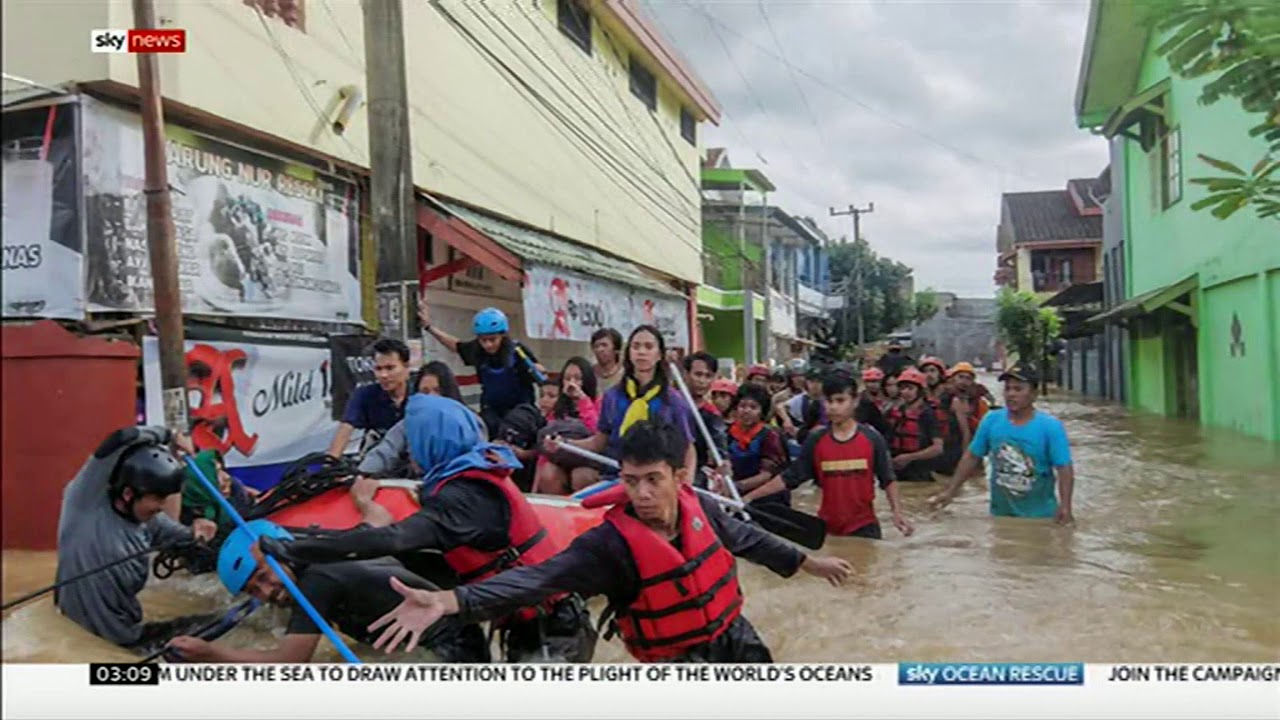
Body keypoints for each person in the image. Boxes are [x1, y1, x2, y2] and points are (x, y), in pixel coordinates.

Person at [364, 421, 854, 663]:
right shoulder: (608, 546)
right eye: (632, 480)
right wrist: (449, 601)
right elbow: (536, 580)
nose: (642, 493)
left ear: (680, 477)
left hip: (733, 635)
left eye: (653, 480)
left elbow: (747, 538)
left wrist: (809, 563)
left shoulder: (698, 506)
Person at [257, 394, 596, 662]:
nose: (412, 452)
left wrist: (295, 548)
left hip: (555, 628)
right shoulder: (472, 473)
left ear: (431, 441)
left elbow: (391, 539)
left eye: (414, 441)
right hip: (529, 619)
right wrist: (312, 537)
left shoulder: (465, 498)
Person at [165, 519, 490, 663]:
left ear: (282, 550)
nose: (269, 591)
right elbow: (378, 521)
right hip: (466, 636)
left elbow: (291, 662)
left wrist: (211, 654)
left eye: (265, 575)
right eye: (255, 591)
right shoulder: (332, 547)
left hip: (451, 654)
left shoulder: (316, 583)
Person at [54, 426, 218, 654]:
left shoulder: (151, 521)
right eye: (157, 498)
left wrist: (199, 531)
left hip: (131, 633)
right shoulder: (84, 502)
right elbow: (120, 438)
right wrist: (170, 435)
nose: (162, 507)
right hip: (94, 641)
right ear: (129, 493)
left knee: (220, 624)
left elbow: (188, 540)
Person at [745, 374, 912, 540]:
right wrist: (750, 497)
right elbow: (790, 477)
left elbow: (888, 479)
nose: (833, 407)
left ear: (855, 402)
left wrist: (897, 513)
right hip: (828, 529)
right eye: (828, 401)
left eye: (840, 401)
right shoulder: (816, 440)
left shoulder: (872, 439)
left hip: (864, 527)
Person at [929, 365, 1075, 524]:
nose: (1011, 394)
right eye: (1007, 389)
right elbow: (972, 456)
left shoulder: (1050, 426)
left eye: (1018, 389)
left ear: (1034, 394)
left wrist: (1066, 507)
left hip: (1040, 517)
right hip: (1000, 515)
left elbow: (1064, 468)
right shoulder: (992, 420)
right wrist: (950, 492)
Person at [549, 325, 699, 475]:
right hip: (618, 474)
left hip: (657, 479)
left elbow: (688, 448)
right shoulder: (613, 396)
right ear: (629, 353)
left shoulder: (673, 400)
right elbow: (598, 443)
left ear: (659, 354)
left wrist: (686, 480)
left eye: (648, 347)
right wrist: (564, 443)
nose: (641, 352)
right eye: (636, 346)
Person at [419, 300, 544, 438]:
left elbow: (539, 374)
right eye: (483, 340)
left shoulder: (517, 352)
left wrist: (537, 370)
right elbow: (455, 346)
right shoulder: (477, 350)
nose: (488, 345)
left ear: (503, 335)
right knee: (481, 426)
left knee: (512, 427)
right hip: (492, 410)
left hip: (520, 410)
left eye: (492, 339)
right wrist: (429, 328)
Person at [358, 361, 486, 478]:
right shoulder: (409, 423)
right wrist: (361, 475)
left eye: (437, 391)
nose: (431, 397)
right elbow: (386, 450)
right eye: (425, 392)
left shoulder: (471, 421)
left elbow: (479, 456)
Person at [328, 338, 413, 458]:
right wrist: (330, 463)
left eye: (390, 368)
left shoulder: (420, 394)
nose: (383, 375)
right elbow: (345, 429)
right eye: (378, 369)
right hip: (377, 461)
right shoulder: (364, 395)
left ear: (406, 366)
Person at [534, 357, 602, 495]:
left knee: (581, 476)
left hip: (591, 461)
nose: (572, 384)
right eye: (567, 378)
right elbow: (544, 450)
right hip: (561, 460)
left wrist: (582, 400)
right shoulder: (558, 408)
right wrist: (534, 489)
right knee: (548, 473)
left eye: (577, 379)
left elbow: (597, 430)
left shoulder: (600, 402)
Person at [727, 385, 790, 506]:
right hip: (734, 494)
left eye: (753, 407)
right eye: (742, 406)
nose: (746, 410)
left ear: (762, 411)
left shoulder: (770, 436)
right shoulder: (728, 433)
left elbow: (768, 474)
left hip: (766, 498)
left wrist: (737, 487)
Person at [681, 352, 731, 489]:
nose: (702, 381)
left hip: (694, 474)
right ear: (685, 374)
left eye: (708, 376)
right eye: (698, 374)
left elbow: (720, 450)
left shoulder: (712, 415)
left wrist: (723, 464)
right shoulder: (670, 404)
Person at [885, 368, 944, 482]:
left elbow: (937, 448)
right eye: (902, 388)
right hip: (897, 472)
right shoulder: (895, 412)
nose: (905, 392)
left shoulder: (928, 414)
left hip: (920, 473)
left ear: (920, 391)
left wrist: (909, 458)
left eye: (910, 388)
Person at [855, 368, 892, 440]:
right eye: (868, 381)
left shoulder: (889, 399)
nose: (871, 385)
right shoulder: (859, 400)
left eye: (875, 381)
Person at [591, 328, 625, 393]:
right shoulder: (589, 373)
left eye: (604, 345)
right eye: (596, 346)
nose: (600, 349)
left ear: (616, 349)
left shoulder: (625, 374)